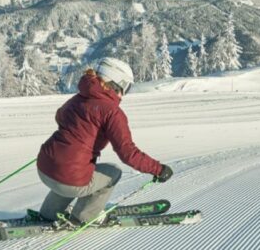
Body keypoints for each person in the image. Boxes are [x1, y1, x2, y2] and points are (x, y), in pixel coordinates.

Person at [36, 57, 173, 226]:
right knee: (112, 172)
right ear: (118, 83)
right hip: (69, 179)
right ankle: (85, 217)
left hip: (44, 167)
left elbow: (60, 116)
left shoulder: (80, 97)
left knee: (72, 168)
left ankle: (49, 213)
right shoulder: (112, 112)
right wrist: (158, 169)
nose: (125, 93)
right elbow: (127, 153)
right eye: (127, 87)